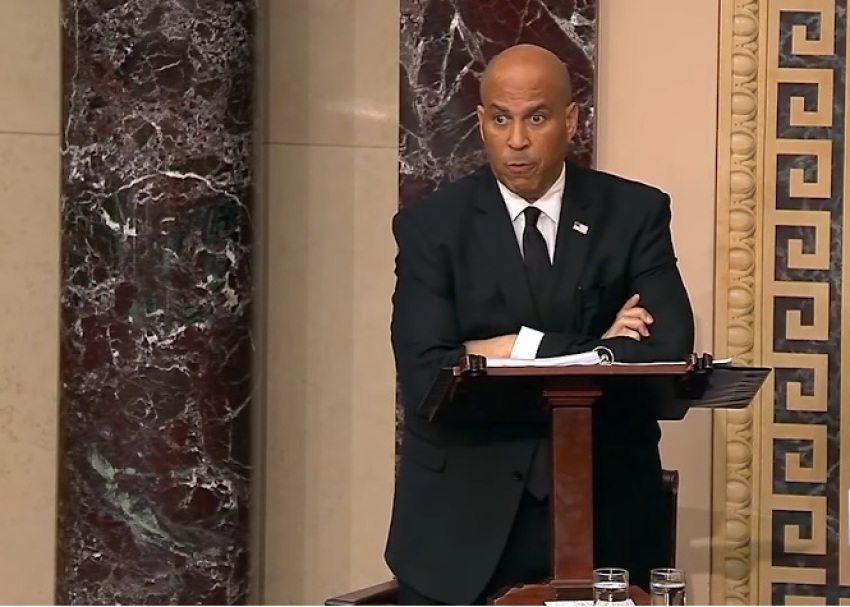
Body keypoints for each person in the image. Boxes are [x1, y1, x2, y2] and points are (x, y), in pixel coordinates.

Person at [385, 43, 695, 605]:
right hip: (460, 532)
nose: (518, 140)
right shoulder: (431, 228)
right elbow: (429, 376)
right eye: (501, 120)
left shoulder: (633, 214)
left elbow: (668, 351)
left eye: (536, 118)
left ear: (571, 119)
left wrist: (502, 351)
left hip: (609, 521)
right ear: (481, 122)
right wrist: (597, 349)